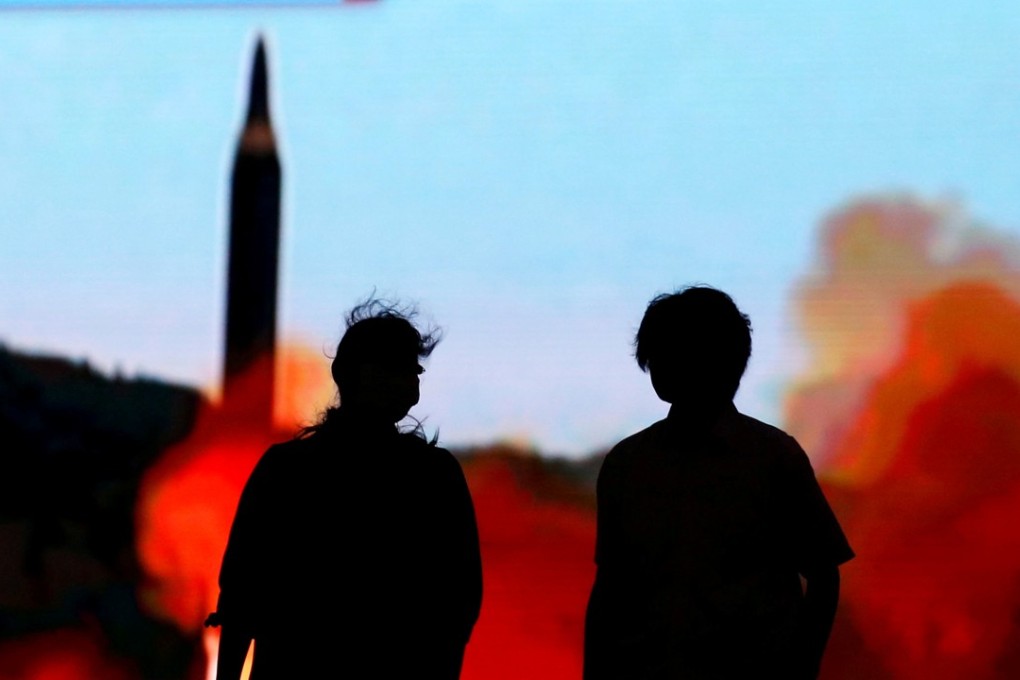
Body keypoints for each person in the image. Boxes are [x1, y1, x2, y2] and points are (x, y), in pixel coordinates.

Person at [583, 285, 854, 680]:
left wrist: (801, 665)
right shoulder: (628, 464)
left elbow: (824, 574)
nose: (660, 365)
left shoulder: (774, 460)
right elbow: (611, 587)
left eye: (673, 353)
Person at [206, 299, 483, 679]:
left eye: (407, 368)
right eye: (389, 366)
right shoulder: (433, 476)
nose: (402, 380)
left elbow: (456, 605)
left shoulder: (286, 470)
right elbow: (242, 597)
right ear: (348, 374)